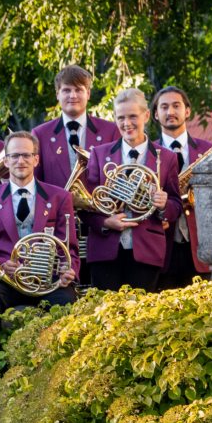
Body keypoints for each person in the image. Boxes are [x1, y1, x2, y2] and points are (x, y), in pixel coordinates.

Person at [0, 132, 78, 366]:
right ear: (6, 160)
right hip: (5, 281)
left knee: (67, 300)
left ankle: (59, 369)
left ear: (36, 159)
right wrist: (1, 267)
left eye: (26, 155)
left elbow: (68, 248)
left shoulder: (60, 197)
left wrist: (67, 271)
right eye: (15, 155)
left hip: (47, 280)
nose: (21, 161)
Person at [82, 88, 178, 291]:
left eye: (133, 116)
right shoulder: (99, 154)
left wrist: (163, 205)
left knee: (141, 317)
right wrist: (106, 222)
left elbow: (176, 205)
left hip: (146, 250)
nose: (127, 123)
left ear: (146, 116)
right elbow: (86, 205)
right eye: (121, 118)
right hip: (105, 249)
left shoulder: (166, 157)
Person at [153, 86, 210, 287]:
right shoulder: (147, 153)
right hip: (161, 252)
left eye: (176, 106)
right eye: (164, 107)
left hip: (201, 249)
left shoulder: (208, 150)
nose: (170, 112)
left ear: (187, 111)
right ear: (155, 115)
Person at [31, 64, 119, 184]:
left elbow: (117, 178)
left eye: (78, 90)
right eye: (67, 90)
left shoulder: (110, 131)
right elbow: (35, 181)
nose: (73, 95)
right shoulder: (40, 134)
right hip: (57, 203)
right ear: (57, 94)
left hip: (97, 202)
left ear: (88, 94)